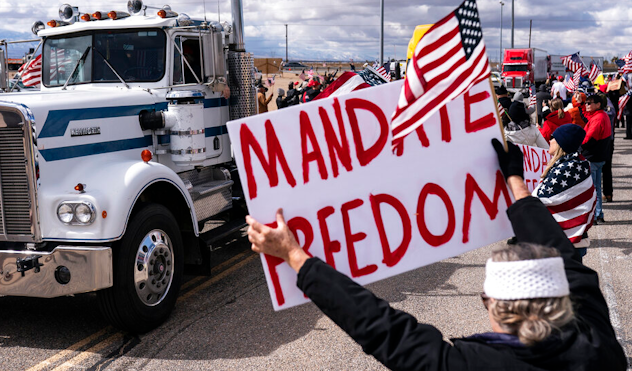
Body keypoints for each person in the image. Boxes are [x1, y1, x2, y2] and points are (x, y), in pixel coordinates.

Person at [246, 140, 626, 370]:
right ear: (560, 298)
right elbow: (565, 258)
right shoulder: (597, 346)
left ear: (494, 305)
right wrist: (515, 181)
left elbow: (381, 328)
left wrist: (293, 254)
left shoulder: (473, 366)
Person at [534, 124, 593, 257]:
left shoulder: (567, 169)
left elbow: (539, 198)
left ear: (562, 143)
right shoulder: (578, 164)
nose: (549, 140)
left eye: (552, 138)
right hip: (571, 242)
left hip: (564, 244)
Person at [581, 93, 611, 224]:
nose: (586, 105)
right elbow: (587, 116)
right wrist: (579, 104)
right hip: (599, 156)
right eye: (586, 103)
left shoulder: (598, 119)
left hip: (593, 157)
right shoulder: (601, 115)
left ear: (598, 105)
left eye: (589, 103)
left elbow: (588, 138)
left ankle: (593, 216)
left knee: (591, 189)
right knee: (597, 188)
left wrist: (578, 145)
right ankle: (598, 214)